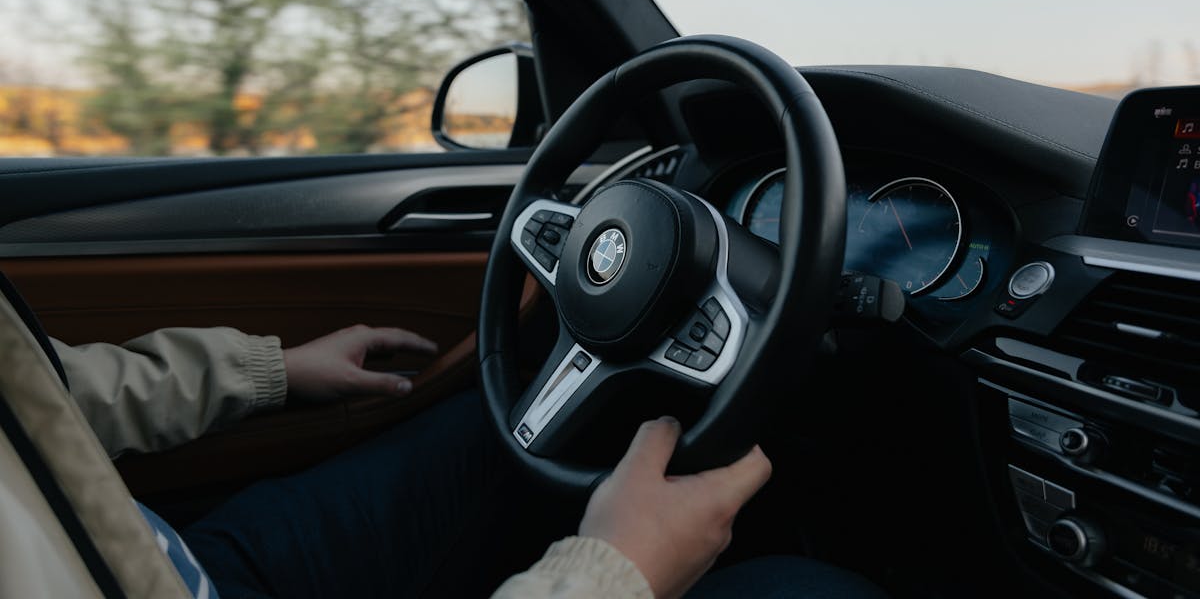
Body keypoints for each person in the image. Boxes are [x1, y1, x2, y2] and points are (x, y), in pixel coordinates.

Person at [49, 322, 887, 598]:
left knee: (494, 436)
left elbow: (27, 392)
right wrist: (615, 571)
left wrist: (262, 371)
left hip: (163, 562)